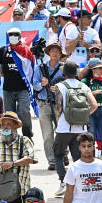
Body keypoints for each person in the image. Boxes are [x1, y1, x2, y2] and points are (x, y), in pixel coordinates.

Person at [52, 61, 97, 195]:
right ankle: (79, 184)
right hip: (81, 129)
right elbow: (94, 105)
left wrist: (61, 119)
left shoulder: (60, 86)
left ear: (64, 73)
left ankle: (64, 182)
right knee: (78, 158)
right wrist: (83, 116)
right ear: (76, 72)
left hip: (64, 128)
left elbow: (59, 107)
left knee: (58, 154)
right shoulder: (83, 86)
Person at [0, 26, 34, 137]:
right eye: (11, 35)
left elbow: (31, 68)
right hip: (8, 88)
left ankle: (27, 135)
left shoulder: (26, 50)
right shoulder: (3, 50)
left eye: (16, 34)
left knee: (24, 112)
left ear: (20, 36)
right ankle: (10, 137)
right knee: (9, 116)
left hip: (23, 88)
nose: (13, 37)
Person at [33, 42, 65, 172]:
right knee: (47, 134)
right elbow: (34, 85)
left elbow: (69, 84)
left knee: (62, 131)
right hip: (44, 103)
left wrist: (58, 89)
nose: (55, 53)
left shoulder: (63, 68)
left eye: (57, 51)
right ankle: (52, 160)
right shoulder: (39, 68)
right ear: (48, 53)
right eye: (52, 51)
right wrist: (42, 84)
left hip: (58, 103)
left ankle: (63, 154)